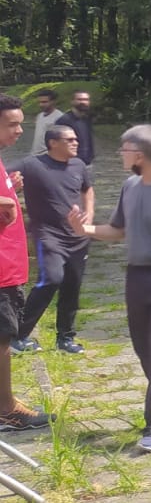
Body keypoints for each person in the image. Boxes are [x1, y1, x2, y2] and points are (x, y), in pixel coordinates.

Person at [69, 125, 151, 452]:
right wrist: (83, 228)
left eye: (124, 150)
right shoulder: (130, 186)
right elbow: (118, 230)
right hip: (137, 277)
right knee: (145, 348)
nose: (120, 155)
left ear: (140, 155)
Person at [13, 124, 94, 355]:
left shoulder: (78, 165)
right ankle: (18, 335)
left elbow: (88, 189)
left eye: (76, 139)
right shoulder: (32, 165)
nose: (75, 143)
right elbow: (4, 178)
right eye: (69, 140)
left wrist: (89, 212)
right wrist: (14, 190)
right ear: (53, 143)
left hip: (77, 237)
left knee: (72, 286)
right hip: (48, 235)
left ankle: (65, 339)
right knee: (51, 278)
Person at [0, 94, 51, 432]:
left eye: (21, 123)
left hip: (9, 267)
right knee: (1, 341)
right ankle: (7, 409)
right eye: (12, 124)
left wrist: (10, 189)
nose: (19, 130)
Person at [56, 90, 96, 171]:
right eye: (79, 99)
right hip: (70, 165)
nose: (83, 102)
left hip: (87, 163)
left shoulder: (87, 118)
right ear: (72, 101)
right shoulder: (64, 120)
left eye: (86, 100)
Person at [30, 90, 64, 156]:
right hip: (35, 155)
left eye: (44, 102)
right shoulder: (40, 116)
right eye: (39, 102)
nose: (41, 105)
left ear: (53, 101)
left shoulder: (60, 118)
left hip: (48, 156)